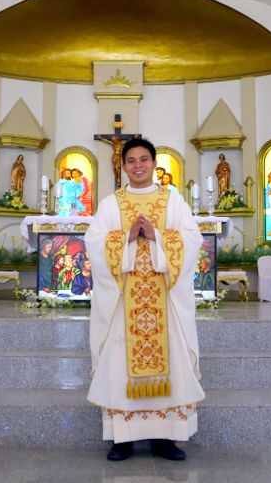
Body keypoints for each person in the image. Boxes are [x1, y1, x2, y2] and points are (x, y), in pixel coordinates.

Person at [84, 137, 204, 462]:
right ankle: (121, 439)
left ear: (154, 163)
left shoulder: (172, 201)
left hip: (164, 299)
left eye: (144, 159)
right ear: (123, 166)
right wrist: (124, 238)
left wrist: (158, 236)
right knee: (118, 367)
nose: (138, 166)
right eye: (131, 161)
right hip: (125, 302)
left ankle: (166, 438)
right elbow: (94, 241)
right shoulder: (112, 203)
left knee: (172, 368)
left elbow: (193, 238)